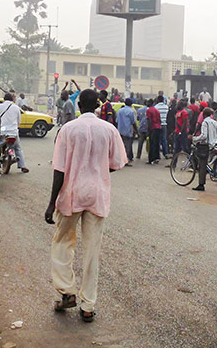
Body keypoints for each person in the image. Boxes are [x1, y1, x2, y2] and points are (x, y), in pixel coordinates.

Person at [45, 89, 127, 322]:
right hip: (97, 194)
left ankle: (67, 290)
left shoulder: (68, 130)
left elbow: (59, 169)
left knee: (62, 243)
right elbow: (116, 163)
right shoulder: (109, 130)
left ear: (79, 104)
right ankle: (88, 306)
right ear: (98, 105)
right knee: (92, 251)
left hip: (72, 192)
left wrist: (51, 204)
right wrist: (98, 168)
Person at [0, 93, 29, 173]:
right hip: (13, 132)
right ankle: (22, 165)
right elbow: (19, 121)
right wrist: (16, 127)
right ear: (12, 99)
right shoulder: (16, 107)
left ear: (4, 99)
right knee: (18, 148)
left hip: (2, 131)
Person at [191, 107, 217, 191]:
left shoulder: (205, 122)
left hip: (206, 146)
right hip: (214, 145)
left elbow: (204, 136)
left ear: (203, 115)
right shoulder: (214, 122)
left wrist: (195, 139)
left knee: (202, 165)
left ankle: (201, 184)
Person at [116, 98, 137, 166]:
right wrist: (136, 130)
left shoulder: (120, 111)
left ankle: (120, 160)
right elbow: (133, 122)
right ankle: (125, 161)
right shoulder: (130, 111)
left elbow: (117, 121)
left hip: (120, 130)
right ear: (131, 104)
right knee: (127, 146)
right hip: (127, 131)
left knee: (120, 146)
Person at [146, 99, 162, 165]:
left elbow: (149, 120)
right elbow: (160, 120)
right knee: (157, 143)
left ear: (150, 103)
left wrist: (149, 130)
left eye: (148, 102)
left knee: (152, 144)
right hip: (158, 127)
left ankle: (151, 159)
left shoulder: (149, 110)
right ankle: (157, 157)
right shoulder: (157, 110)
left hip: (153, 128)